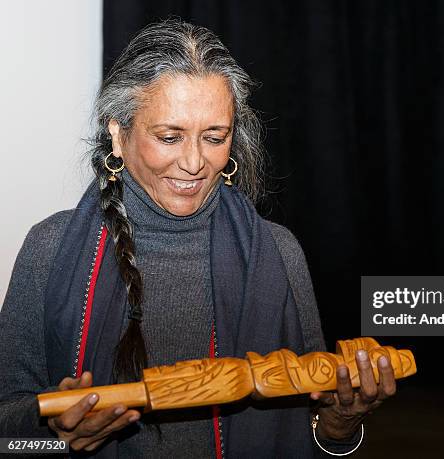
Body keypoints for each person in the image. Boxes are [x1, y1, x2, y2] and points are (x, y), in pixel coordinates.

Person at [0, 19, 397, 458]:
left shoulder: (278, 253)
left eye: (214, 137)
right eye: (169, 137)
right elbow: (7, 434)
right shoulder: (51, 247)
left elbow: (315, 438)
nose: (194, 162)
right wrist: (56, 441)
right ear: (117, 132)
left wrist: (340, 423)